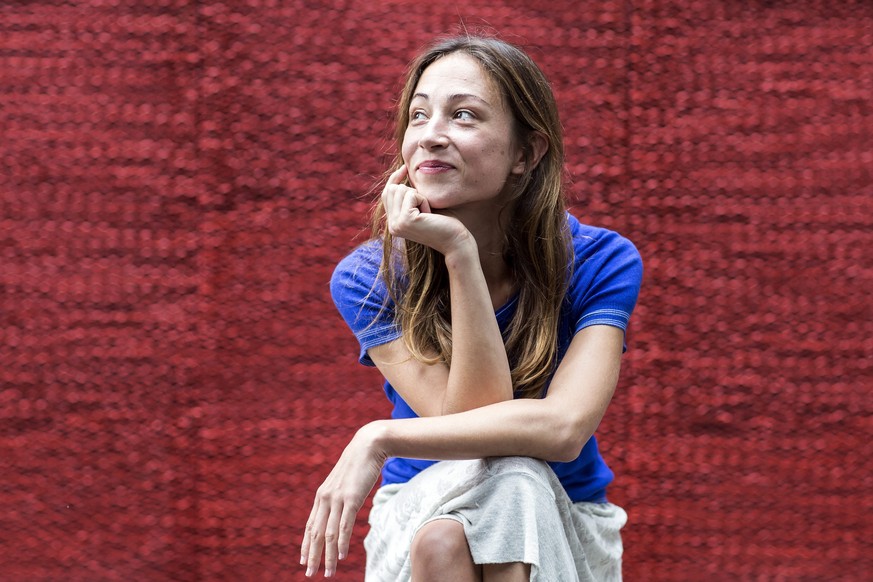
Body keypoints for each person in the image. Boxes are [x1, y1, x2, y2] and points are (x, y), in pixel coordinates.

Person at [300, 35, 643, 581]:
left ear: (526, 153)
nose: (430, 136)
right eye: (418, 115)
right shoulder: (369, 278)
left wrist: (378, 437)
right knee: (479, 498)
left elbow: (563, 431)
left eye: (463, 116)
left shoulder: (602, 260)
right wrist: (459, 252)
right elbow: (467, 435)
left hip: (566, 520)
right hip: (418, 504)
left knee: (515, 477)